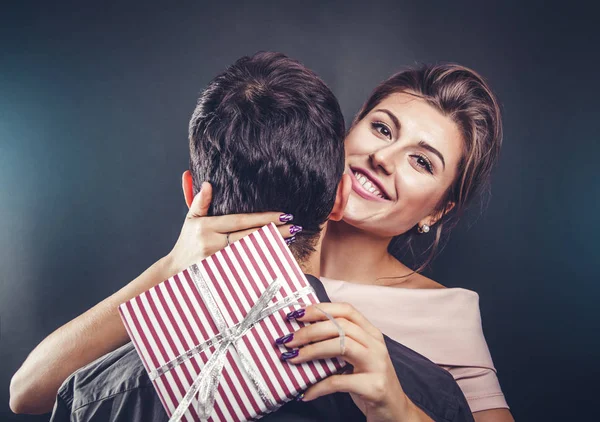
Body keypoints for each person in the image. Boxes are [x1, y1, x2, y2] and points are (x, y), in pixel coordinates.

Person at [9, 57, 509, 421]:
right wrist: (168, 270)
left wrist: (396, 407)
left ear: (438, 210)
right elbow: (29, 392)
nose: (384, 157)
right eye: (382, 128)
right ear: (346, 134)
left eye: (422, 161)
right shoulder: (230, 253)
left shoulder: (447, 315)